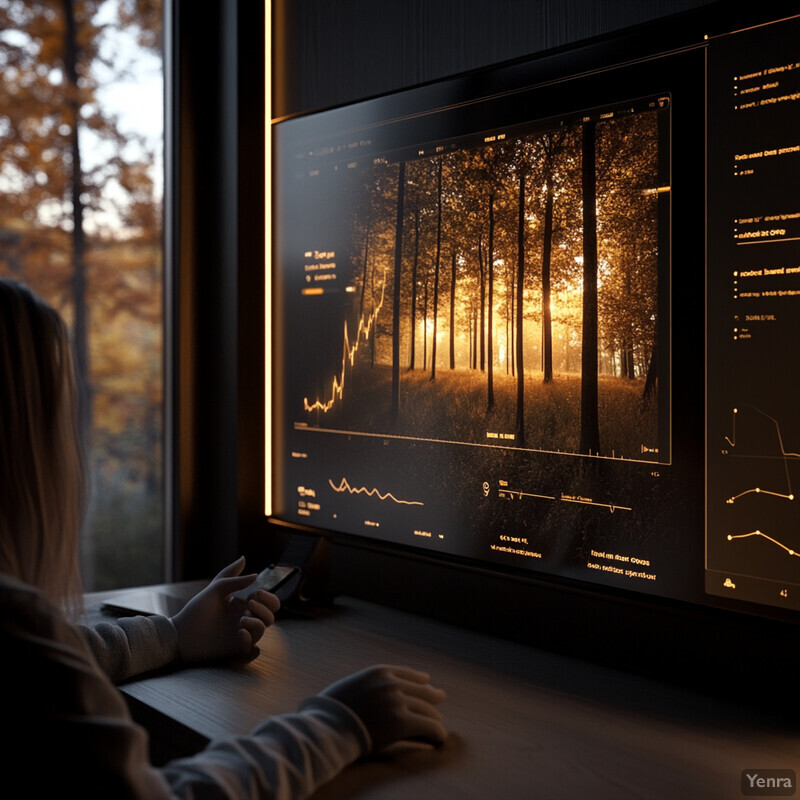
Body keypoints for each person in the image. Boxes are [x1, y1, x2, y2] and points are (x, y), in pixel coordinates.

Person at [0, 277, 447, 798]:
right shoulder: (17, 623)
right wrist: (337, 724)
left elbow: (52, 658)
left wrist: (173, 636)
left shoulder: (22, 636)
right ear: (24, 458)